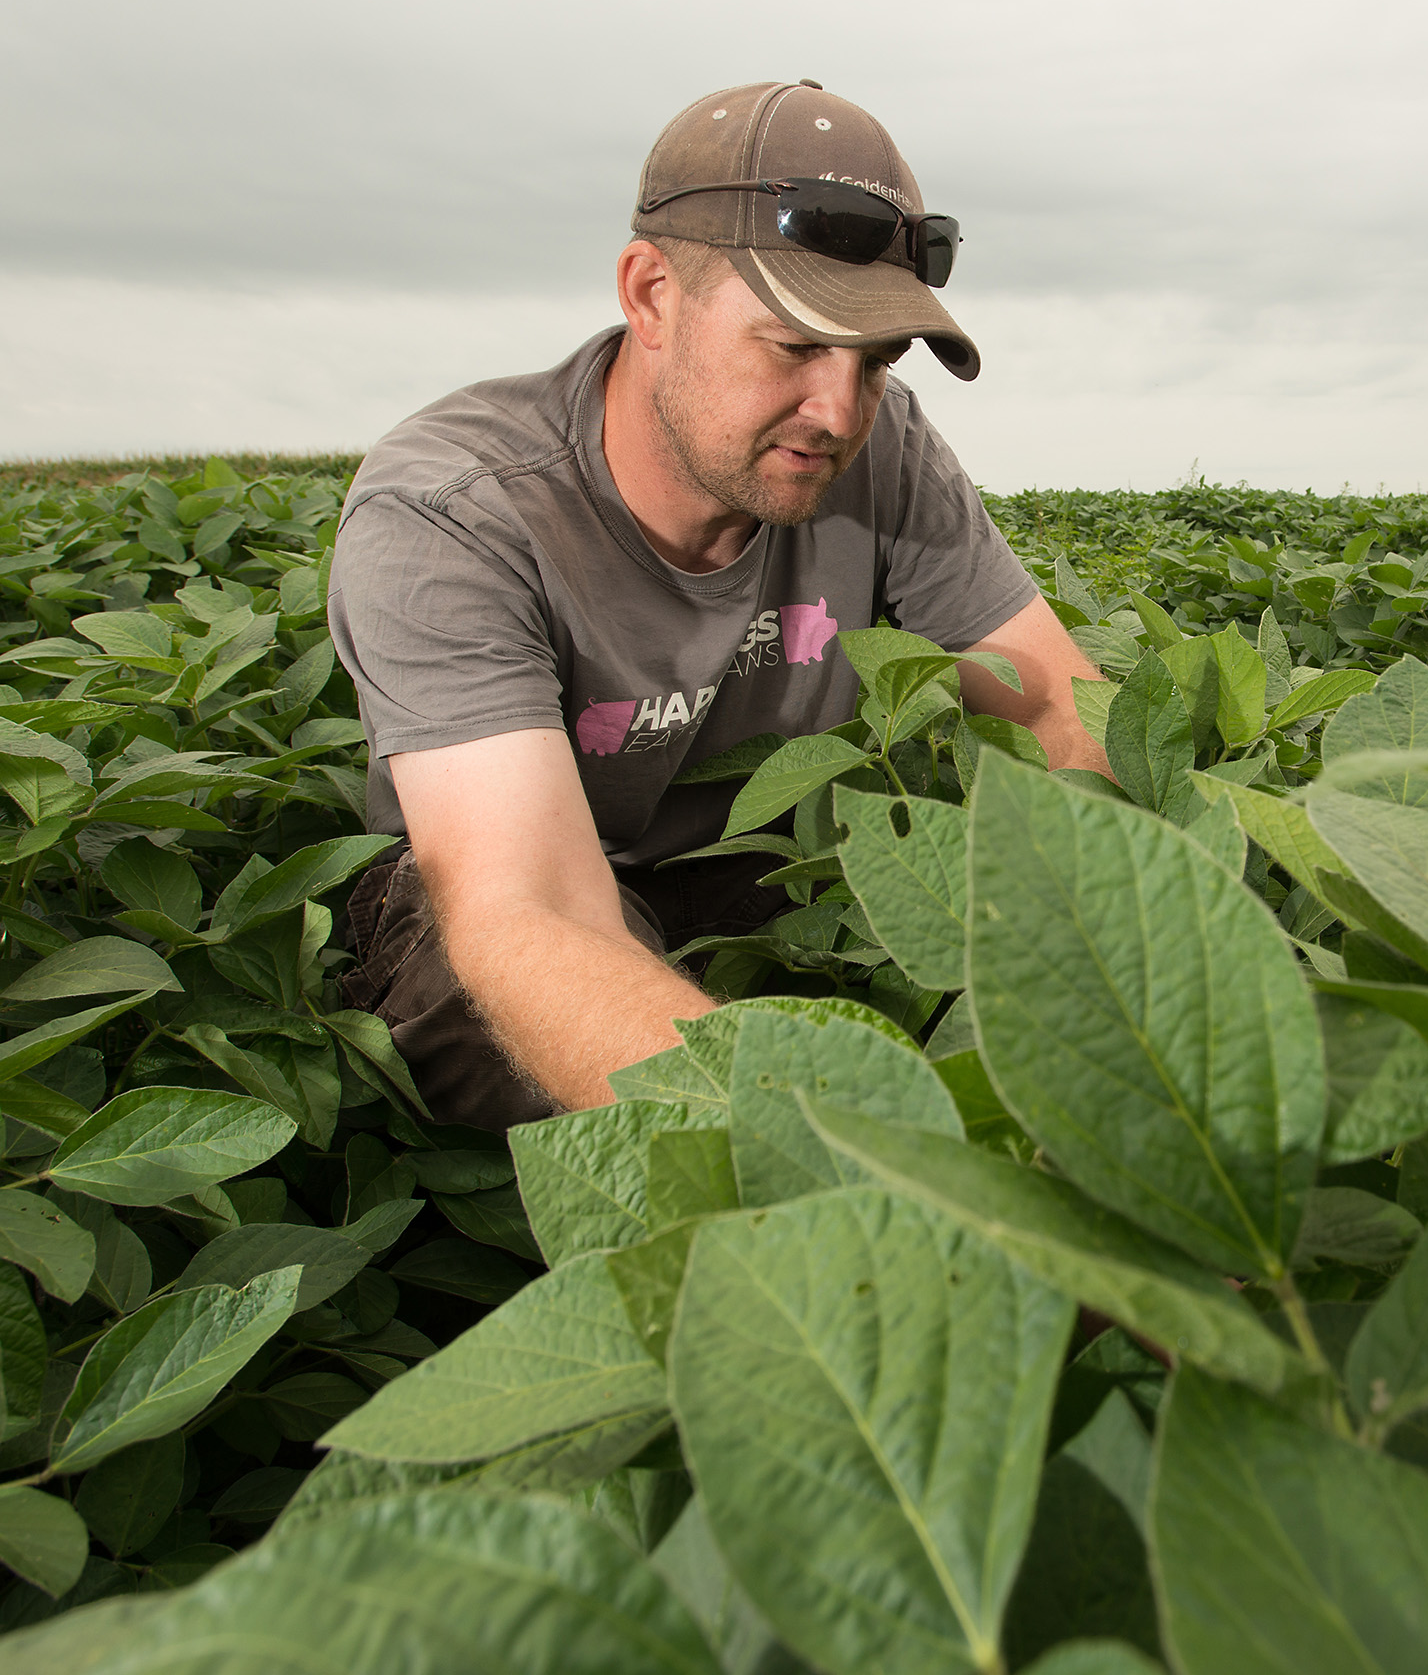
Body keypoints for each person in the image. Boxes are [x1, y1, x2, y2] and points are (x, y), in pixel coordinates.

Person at [328, 80, 1105, 1132]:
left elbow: (1060, 709)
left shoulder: (885, 445)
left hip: (762, 867)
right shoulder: (453, 506)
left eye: (876, 361)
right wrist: (822, 1154)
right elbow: (532, 908)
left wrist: (1117, 984)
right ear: (652, 295)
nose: (837, 410)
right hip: (532, 875)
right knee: (487, 1008)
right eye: (792, 345)